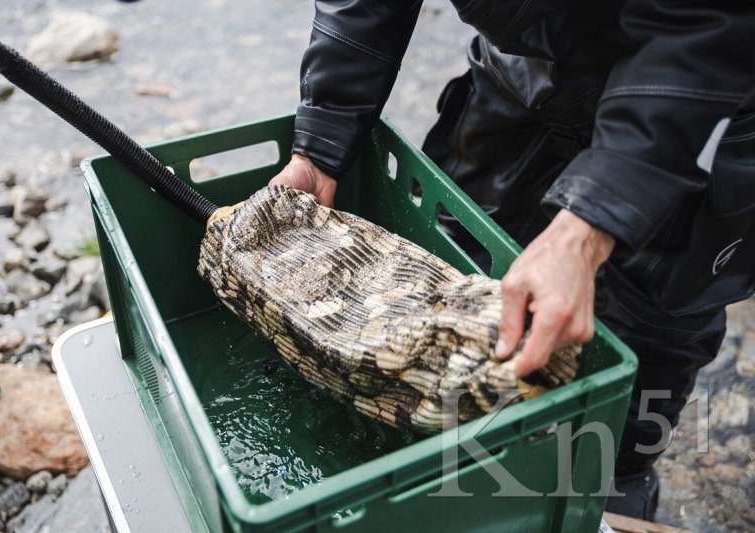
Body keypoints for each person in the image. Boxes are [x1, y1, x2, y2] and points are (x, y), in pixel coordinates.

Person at [269, 0, 755, 520]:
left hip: (698, 100)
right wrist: (321, 138)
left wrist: (587, 227)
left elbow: (709, 24)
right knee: (458, 247)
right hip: (528, 68)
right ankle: (450, 434)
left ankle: (613, 472)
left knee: (654, 315)